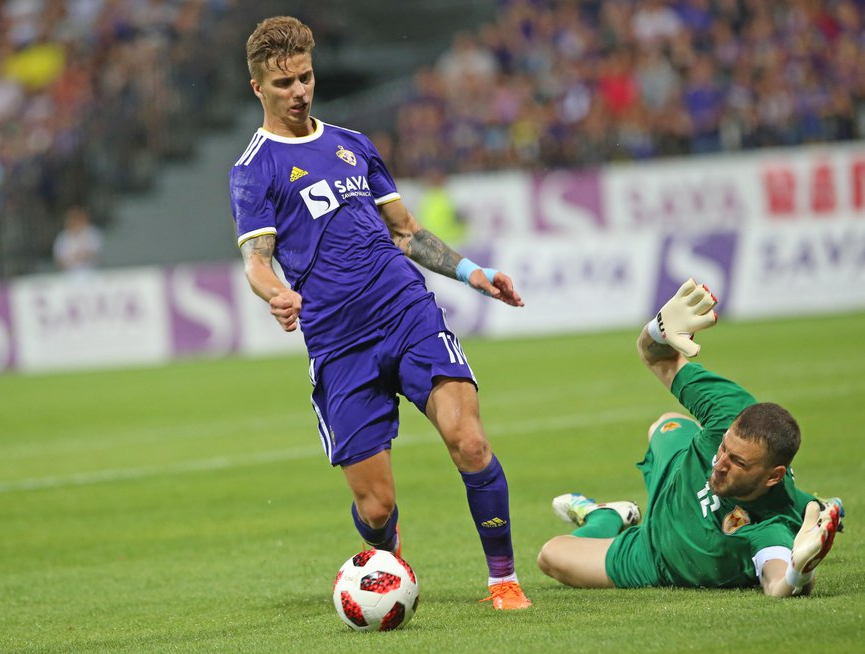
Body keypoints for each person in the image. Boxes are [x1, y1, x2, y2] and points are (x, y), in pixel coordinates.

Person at [229, 16, 530, 610]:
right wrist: (276, 295)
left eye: (306, 78)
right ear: (258, 88)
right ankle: (390, 560)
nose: (299, 92)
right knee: (376, 505)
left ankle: (504, 580)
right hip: (340, 345)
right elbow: (256, 262)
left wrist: (474, 274)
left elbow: (407, 233)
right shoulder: (253, 169)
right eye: (284, 83)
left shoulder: (352, 144)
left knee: (469, 442)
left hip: (406, 312)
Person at [537, 279, 844, 596]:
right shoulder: (731, 408)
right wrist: (657, 332)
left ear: (773, 476)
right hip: (678, 471)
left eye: (738, 462)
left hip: (656, 554)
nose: (721, 464)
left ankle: (606, 516)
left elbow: (776, 582)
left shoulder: (773, 523)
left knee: (552, 555)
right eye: (724, 448)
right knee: (666, 423)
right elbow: (656, 357)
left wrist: (799, 573)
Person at [53, 205, 103, 273]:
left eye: (76, 218)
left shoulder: (92, 233)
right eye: (71, 219)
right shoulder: (62, 238)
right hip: (69, 276)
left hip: (91, 274)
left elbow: (98, 254)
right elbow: (58, 261)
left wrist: (83, 255)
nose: (74, 221)